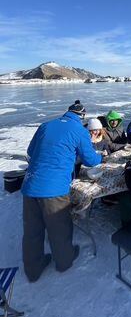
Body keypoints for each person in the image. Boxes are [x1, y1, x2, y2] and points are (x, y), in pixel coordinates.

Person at [21, 100, 102, 282]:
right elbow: (90, 160)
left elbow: (31, 152)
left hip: (30, 185)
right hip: (54, 189)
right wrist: (99, 157)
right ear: (81, 116)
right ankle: (64, 261)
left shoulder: (46, 125)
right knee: (59, 228)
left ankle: (33, 270)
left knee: (32, 230)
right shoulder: (79, 130)